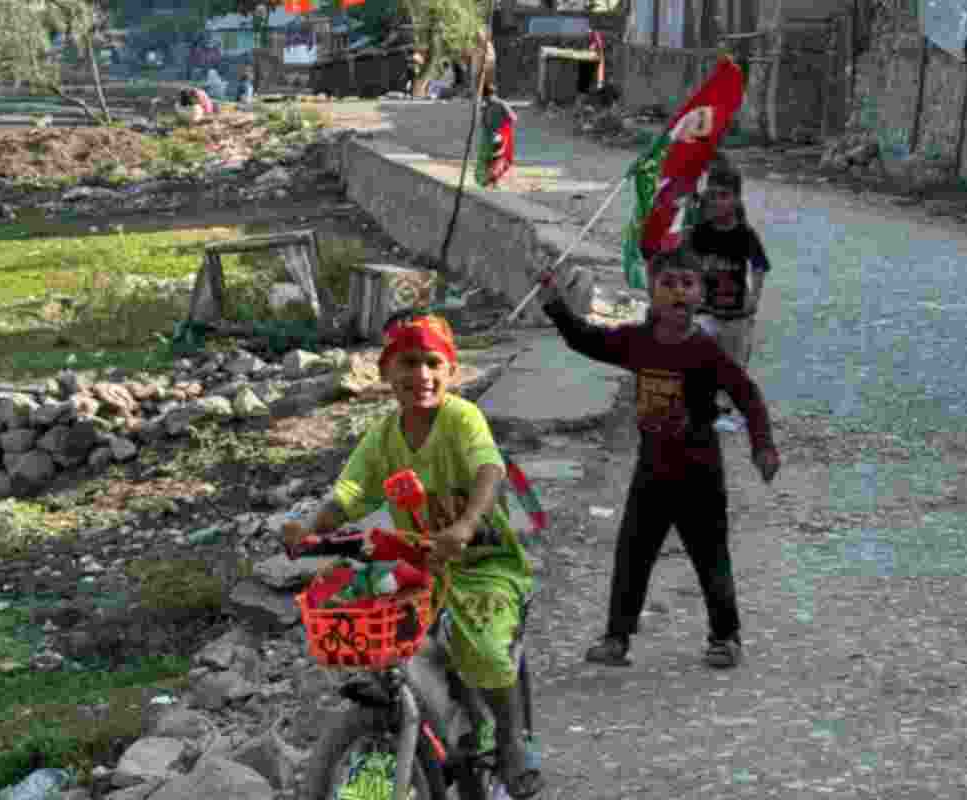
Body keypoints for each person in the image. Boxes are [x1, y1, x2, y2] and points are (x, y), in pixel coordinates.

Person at [282, 310, 545, 799]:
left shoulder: (462, 419)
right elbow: (349, 491)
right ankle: (422, 734)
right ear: (386, 372)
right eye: (407, 363)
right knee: (386, 636)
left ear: (451, 373)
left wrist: (465, 525)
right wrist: (311, 529)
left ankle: (510, 742)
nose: (420, 375)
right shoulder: (383, 437)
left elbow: (488, 469)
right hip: (421, 569)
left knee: (484, 649)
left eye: (432, 364)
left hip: (484, 565)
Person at [537, 248, 780, 669]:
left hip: (700, 474)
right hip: (651, 473)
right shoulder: (637, 342)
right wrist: (554, 305)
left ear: (699, 292)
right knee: (632, 553)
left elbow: (747, 396)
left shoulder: (705, 351)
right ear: (652, 290)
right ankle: (616, 638)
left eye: (687, 284)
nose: (678, 292)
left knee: (710, 555)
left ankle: (725, 636)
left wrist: (763, 446)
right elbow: (585, 338)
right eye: (668, 284)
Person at [688, 155, 772, 433]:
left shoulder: (745, 235)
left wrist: (754, 298)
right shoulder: (700, 232)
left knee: (732, 364)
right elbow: (686, 262)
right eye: (711, 196)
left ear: (736, 199)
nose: (716, 202)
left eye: (724, 196)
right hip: (706, 311)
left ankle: (723, 409)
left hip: (736, 314)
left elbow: (759, 266)